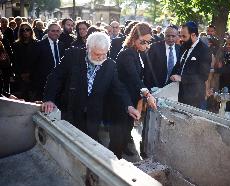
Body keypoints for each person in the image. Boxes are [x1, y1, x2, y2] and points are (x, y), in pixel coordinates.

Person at [41, 32, 141, 151]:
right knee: (67, 145)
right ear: (88, 48)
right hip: (71, 110)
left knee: (88, 147)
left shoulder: (110, 64)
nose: (101, 58)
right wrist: (49, 99)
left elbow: (119, 88)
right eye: (97, 54)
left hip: (93, 115)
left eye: (104, 54)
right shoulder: (73, 55)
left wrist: (129, 106)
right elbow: (56, 77)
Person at [113, 22, 157, 157]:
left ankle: (124, 146)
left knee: (128, 127)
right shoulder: (126, 54)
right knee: (119, 130)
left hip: (132, 96)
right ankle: (116, 156)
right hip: (121, 98)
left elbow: (145, 74)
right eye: (143, 42)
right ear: (134, 38)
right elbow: (133, 77)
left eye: (148, 42)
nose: (146, 45)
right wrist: (147, 93)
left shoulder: (139, 52)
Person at [170, 21, 211, 109]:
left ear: (193, 35)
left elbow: (203, 76)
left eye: (184, 36)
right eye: (180, 36)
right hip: (178, 94)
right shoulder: (184, 46)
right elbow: (178, 65)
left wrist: (182, 78)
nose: (181, 39)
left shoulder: (204, 50)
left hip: (194, 98)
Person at [33, 22, 65, 100]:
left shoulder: (62, 45)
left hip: (60, 81)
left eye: (57, 31)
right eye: (53, 31)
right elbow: (34, 64)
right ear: (48, 32)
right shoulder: (39, 45)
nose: (55, 33)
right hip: (44, 81)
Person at [12, 22, 38, 101]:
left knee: (33, 100)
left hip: (34, 76)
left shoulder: (37, 43)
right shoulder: (16, 45)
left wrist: (30, 74)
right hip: (20, 77)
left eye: (27, 29)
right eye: (23, 30)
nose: (25, 32)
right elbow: (15, 61)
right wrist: (21, 74)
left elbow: (38, 61)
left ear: (31, 31)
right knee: (22, 100)